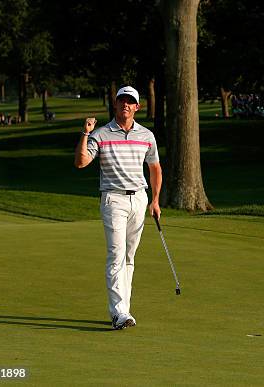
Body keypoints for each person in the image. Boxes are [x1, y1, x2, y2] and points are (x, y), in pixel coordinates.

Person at [74, 86, 162, 330]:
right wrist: (85, 133)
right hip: (114, 200)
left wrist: (155, 200)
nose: (125, 104)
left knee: (129, 257)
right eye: (121, 100)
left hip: (140, 199)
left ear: (137, 107)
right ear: (115, 104)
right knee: (116, 256)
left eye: (130, 101)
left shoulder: (146, 136)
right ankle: (119, 313)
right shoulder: (100, 134)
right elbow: (81, 162)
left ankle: (125, 310)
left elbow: (155, 168)